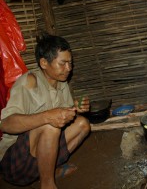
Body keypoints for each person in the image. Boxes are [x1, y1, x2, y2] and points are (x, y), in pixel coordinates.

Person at [0, 33, 91, 189]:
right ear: (44, 63)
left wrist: (75, 107)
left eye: (70, 63)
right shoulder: (29, 82)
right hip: (14, 163)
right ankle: (47, 185)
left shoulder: (61, 83)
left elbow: (63, 116)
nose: (68, 68)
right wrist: (47, 116)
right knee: (50, 125)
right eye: (63, 63)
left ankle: (50, 169)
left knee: (83, 124)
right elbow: (5, 124)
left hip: (38, 156)